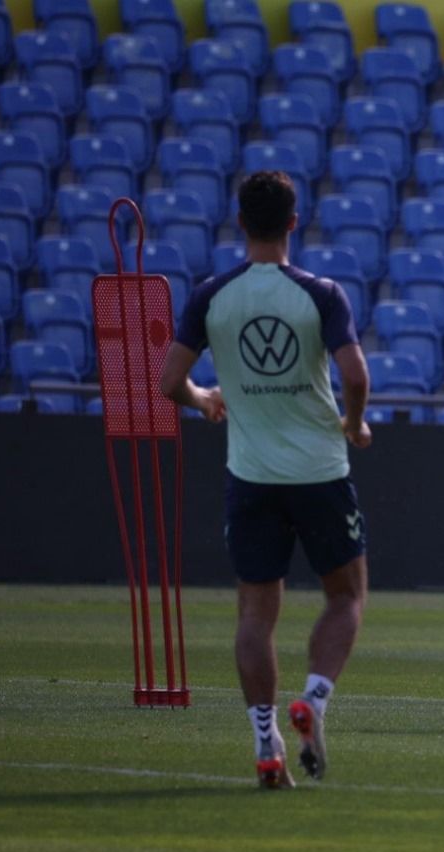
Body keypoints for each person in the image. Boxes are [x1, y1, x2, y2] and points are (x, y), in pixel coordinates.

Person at [159, 171, 373, 788]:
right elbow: (354, 376)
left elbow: (170, 382)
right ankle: (315, 699)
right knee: (346, 596)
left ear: (239, 222)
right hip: (318, 472)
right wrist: (353, 425)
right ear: (293, 222)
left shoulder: (211, 295)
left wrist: (205, 401)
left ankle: (265, 742)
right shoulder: (320, 293)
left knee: (255, 614)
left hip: (250, 476)